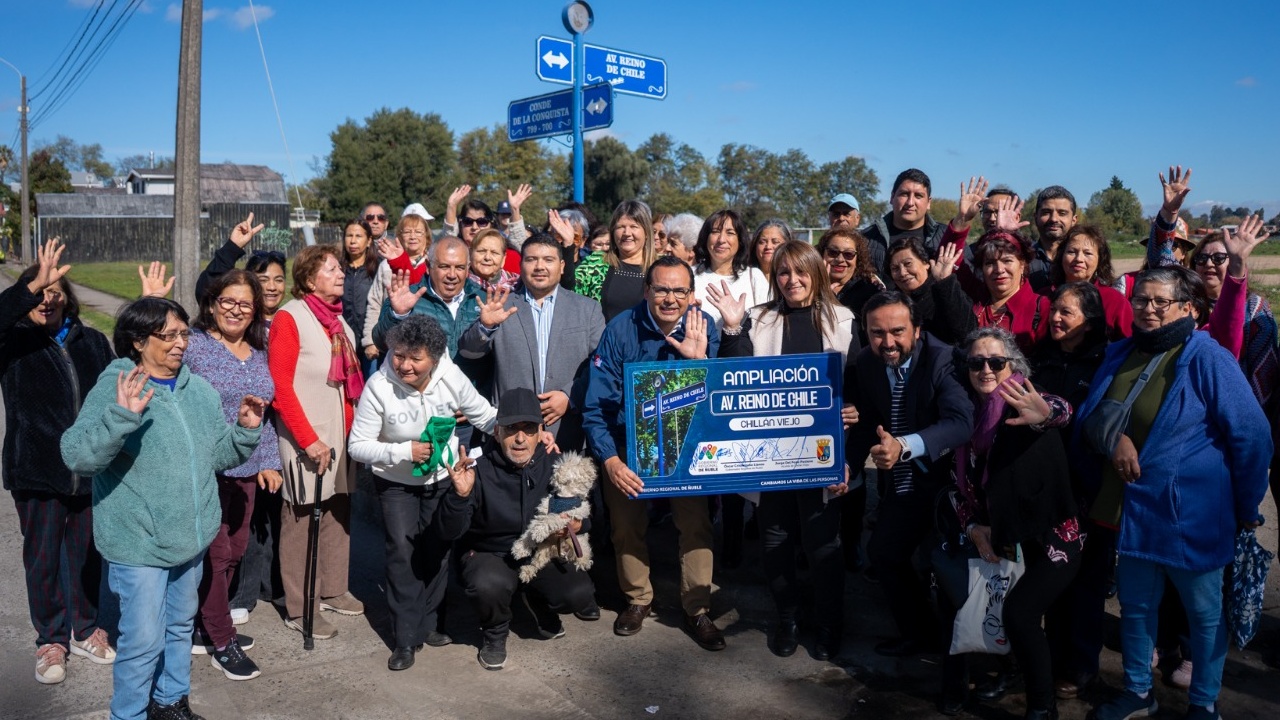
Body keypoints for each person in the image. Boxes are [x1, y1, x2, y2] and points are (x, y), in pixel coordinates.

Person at [1075, 266, 1270, 720]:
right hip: (1135, 512)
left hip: (1193, 516)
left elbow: (1252, 436)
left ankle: (1204, 703)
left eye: (1161, 302)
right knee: (1137, 609)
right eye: (1141, 299)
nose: (1148, 309)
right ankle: (1139, 692)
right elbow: (1092, 415)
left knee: (1203, 615)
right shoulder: (1121, 351)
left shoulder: (1208, 357)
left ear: (1189, 308)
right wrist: (1113, 438)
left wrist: (1247, 505)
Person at [61, 297, 264, 720]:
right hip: (139, 543)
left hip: (190, 538)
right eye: (167, 335)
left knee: (177, 629)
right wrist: (120, 417)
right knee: (142, 640)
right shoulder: (119, 384)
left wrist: (244, 432)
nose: (180, 344)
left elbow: (216, 455)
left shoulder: (200, 389)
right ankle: (130, 713)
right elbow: (78, 456)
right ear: (138, 341)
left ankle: (170, 701)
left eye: (183, 333)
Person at [707, 240, 857, 660]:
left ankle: (829, 625)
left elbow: (857, 389)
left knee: (823, 546)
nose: (792, 281)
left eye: (801, 272)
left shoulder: (844, 321)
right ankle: (787, 618)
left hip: (822, 458)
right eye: (784, 273)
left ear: (817, 273)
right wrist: (734, 327)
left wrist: (851, 431)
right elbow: (733, 376)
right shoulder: (759, 318)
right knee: (775, 543)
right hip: (771, 458)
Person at [582, 255, 725, 650]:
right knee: (626, 525)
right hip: (629, 443)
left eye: (679, 290)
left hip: (686, 445)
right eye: (661, 289)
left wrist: (698, 363)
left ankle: (697, 607)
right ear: (646, 290)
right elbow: (596, 408)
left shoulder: (705, 327)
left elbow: (715, 406)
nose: (669, 298)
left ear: (691, 295)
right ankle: (637, 599)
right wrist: (610, 459)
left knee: (696, 523)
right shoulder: (620, 329)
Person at [940, 327, 1081, 720]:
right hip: (1000, 536)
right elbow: (955, 486)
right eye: (976, 362)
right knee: (961, 594)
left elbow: (1059, 410)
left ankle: (1042, 707)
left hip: (1051, 539)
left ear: (1012, 366)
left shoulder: (1024, 403)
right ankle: (996, 674)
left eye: (996, 362)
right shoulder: (966, 413)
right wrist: (971, 527)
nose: (986, 369)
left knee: (1019, 612)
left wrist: (1048, 413)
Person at [348, 314, 498, 670]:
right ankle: (404, 639)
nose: (405, 365)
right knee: (402, 552)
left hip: (441, 478)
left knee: (437, 549)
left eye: (416, 359)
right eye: (399, 355)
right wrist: (403, 451)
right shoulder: (379, 386)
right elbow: (358, 446)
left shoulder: (451, 378)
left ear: (434, 357)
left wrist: (526, 433)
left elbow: (485, 416)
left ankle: (429, 625)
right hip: (396, 482)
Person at [2, 239, 116, 685]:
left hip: (89, 469)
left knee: (88, 554)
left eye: (54, 291)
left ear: (67, 297)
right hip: (35, 470)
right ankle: (51, 639)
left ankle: (85, 629)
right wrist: (30, 285)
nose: (47, 299)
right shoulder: (12, 342)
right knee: (43, 558)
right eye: (38, 292)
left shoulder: (93, 342)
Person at [846, 291, 973, 657]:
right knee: (884, 553)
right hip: (904, 484)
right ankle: (919, 635)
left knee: (945, 571)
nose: (887, 343)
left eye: (897, 331)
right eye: (877, 333)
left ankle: (960, 658)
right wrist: (849, 466)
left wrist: (905, 445)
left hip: (949, 486)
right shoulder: (867, 363)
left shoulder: (943, 360)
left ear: (917, 330)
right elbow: (869, 423)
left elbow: (960, 424)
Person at [436, 387, 599, 671]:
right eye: (512, 429)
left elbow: (584, 516)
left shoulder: (554, 468)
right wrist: (459, 496)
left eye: (528, 429)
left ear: (540, 432)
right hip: (491, 554)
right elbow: (448, 532)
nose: (520, 438)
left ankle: (538, 601)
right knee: (488, 584)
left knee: (578, 593)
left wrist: (576, 524)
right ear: (497, 432)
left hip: (540, 553)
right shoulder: (478, 470)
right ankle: (494, 633)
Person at [185, 270, 282, 681]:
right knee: (216, 554)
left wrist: (270, 461)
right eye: (227, 301)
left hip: (245, 473)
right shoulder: (194, 347)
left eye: (245, 304)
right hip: (207, 470)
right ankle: (222, 642)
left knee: (235, 553)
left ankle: (204, 623)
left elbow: (265, 416)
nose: (235, 310)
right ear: (211, 303)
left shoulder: (259, 352)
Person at [268, 245, 366, 640]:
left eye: (340, 268)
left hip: (342, 437)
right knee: (301, 520)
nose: (341, 273)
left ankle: (333, 589)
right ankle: (300, 606)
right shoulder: (290, 319)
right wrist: (308, 440)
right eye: (331, 269)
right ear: (309, 279)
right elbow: (281, 388)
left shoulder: (341, 324)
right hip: (305, 438)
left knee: (339, 512)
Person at [1032, 282, 1114, 700]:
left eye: (1067, 313)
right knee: (1051, 578)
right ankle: (1052, 654)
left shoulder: (1106, 362)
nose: (1056, 318)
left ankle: (1082, 667)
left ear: (1091, 321)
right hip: (1046, 488)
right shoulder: (1040, 358)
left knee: (1085, 584)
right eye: (1054, 311)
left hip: (1088, 490)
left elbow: (1103, 421)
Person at [459, 234, 605, 452]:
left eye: (548, 260)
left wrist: (570, 395)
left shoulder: (587, 309)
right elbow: (468, 351)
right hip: (511, 433)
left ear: (562, 266)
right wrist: (485, 326)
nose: (539, 266)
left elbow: (600, 365)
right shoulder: (501, 304)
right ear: (520, 264)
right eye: (531, 259)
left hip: (567, 432)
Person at [375, 236, 488, 446]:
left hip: (468, 421)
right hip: (418, 417)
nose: (452, 275)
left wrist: (476, 400)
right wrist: (397, 315)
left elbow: (495, 361)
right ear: (428, 266)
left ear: (468, 269)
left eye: (460, 267)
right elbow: (381, 342)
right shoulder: (408, 297)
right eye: (444, 266)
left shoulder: (483, 300)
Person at [195, 213, 287, 325]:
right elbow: (207, 291)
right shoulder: (237, 320)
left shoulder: (293, 321)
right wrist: (232, 248)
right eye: (263, 280)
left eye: (278, 280)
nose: (272, 287)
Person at [574, 200, 658, 322]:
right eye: (620, 227)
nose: (627, 233)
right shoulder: (594, 264)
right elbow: (570, 295)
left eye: (634, 226)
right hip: (603, 339)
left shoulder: (662, 266)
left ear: (646, 232)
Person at [364, 204, 432, 354]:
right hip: (393, 334)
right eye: (407, 232)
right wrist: (370, 340)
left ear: (427, 237)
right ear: (399, 237)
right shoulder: (385, 265)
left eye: (418, 232)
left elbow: (416, 285)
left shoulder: (433, 263)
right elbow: (375, 302)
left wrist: (399, 261)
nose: (413, 236)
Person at [860, 169, 949, 282]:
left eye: (918, 196)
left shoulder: (946, 237)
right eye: (904, 194)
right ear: (892, 197)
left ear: (929, 202)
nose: (910, 203)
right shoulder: (867, 238)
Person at [886, 237, 975, 346]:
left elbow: (967, 332)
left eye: (908, 264)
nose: (903, 273)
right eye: (895, 269)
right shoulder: (893, 304)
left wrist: (945, 282)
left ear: (926, 263)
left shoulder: (945, 290)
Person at [1049, 225, 1132, 340]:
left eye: (1087, 253)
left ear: (1100, 259)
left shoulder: (1115, 301)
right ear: (1061, 256)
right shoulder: (1045, 296)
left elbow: (1128, 344)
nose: (1079, 259)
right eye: (1072, 252)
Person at [692, 209, 771, 329]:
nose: (721, 240)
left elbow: (768, 325)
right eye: (715, 232)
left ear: (740, 241)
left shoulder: (754, 277)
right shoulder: (689, 275)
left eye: (730, 233)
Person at [819, 227, 884, 340]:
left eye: (848, 254)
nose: (840, 259)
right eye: (833, 252)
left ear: (858, 259)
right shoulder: (808, 289)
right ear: (822, 254)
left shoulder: (870, 292)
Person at [341, 218, 380, 376]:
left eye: (358, 236)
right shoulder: (337, 269)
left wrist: (374, 340)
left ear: (369, 240)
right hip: (344, 343)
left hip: (371, 344)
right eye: (349, 235)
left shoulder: (377, 269)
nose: (353, 241)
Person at [1029, 186, 1079, 292]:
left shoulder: (1082, 259)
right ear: (1036, 217)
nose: (1054, 219)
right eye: (1046, 212)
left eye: (1062, 213)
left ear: (1074, 220)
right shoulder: (1023, 258)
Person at [468, 228, 520, 292]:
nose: (487, 257)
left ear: (503, 259)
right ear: (470, 253)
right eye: (482, 251)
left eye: (494, 253)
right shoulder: (459, 284)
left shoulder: (518, 285)